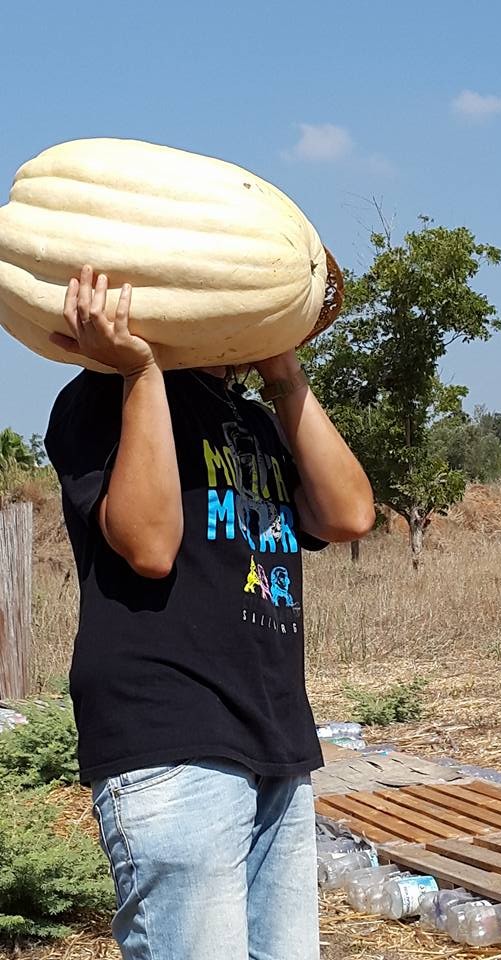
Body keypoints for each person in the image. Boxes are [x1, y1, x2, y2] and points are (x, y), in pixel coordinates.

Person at [45, 264, 375, 960]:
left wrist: (281, 367)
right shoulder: (99, 399)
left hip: (275, 742)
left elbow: (348, 514)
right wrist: (139, 370)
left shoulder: (256, 419)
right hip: (171, 742)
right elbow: (150, 544)